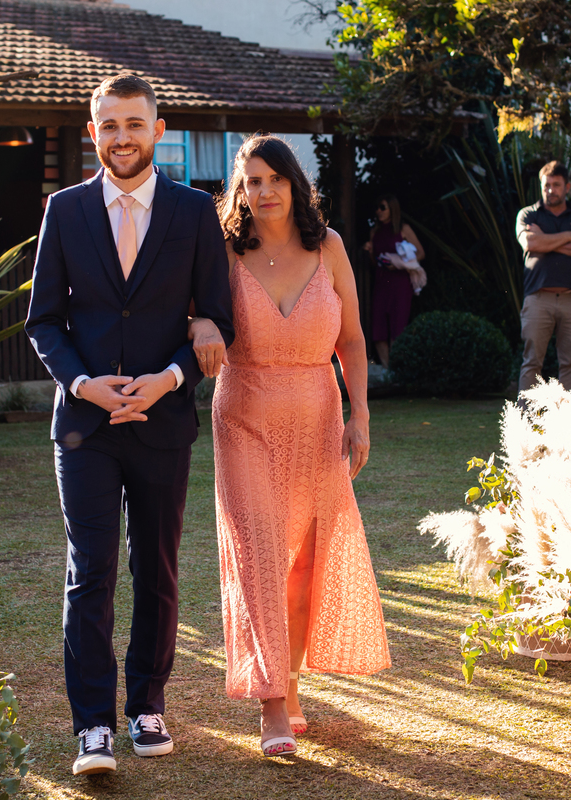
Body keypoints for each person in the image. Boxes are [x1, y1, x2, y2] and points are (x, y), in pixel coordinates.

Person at [24, 74, 233, 777]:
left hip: (163, 419)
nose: (121, 137)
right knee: (91, 571)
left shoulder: (194, 211)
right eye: (109, 125)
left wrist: (169, 378)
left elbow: (219, 317)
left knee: (157, 570)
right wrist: (83, 384)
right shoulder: (65, 209)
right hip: (85, 427)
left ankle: (147, 705)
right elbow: (44, 321)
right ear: (93, 133)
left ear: (158, 131)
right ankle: (92, 726)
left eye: (134, 124)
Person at [196, 134, 390, 757]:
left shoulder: (328, 246)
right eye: (252, 182)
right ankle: (271, 702)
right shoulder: (223, 249)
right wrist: (200, 322)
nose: (264, 192)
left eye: (274, 179)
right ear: (239, 191)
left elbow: (352, 339)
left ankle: (292, 679)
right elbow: (192, 312)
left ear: (295, 184)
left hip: (317, 418)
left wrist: (360, 415)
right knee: (258, 554)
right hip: (244, 417)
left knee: (304, 560)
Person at [516, 161, 571, 396]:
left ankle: (569, 418)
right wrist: (569, 236)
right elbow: (530, 243)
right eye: (546, 185)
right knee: (531, 362)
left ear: (567, 187)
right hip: (538, 299)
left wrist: (547, 241)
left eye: (556, 185)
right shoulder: (528, 214)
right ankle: (525, 417)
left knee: (570, 363)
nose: (550, 190)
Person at [363, 193, 425, 369]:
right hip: (381, 282)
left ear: (392, 209)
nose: (379, 211)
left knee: (398, 326)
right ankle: (387, 370)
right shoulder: (374, 232)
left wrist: (399, 263)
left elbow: (421, 253)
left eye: (383, 207)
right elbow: (374, 262)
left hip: (400, 283)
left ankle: (397, 371)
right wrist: (370, 252)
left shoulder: (403, 229)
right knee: (378, 327)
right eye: (377, 208)